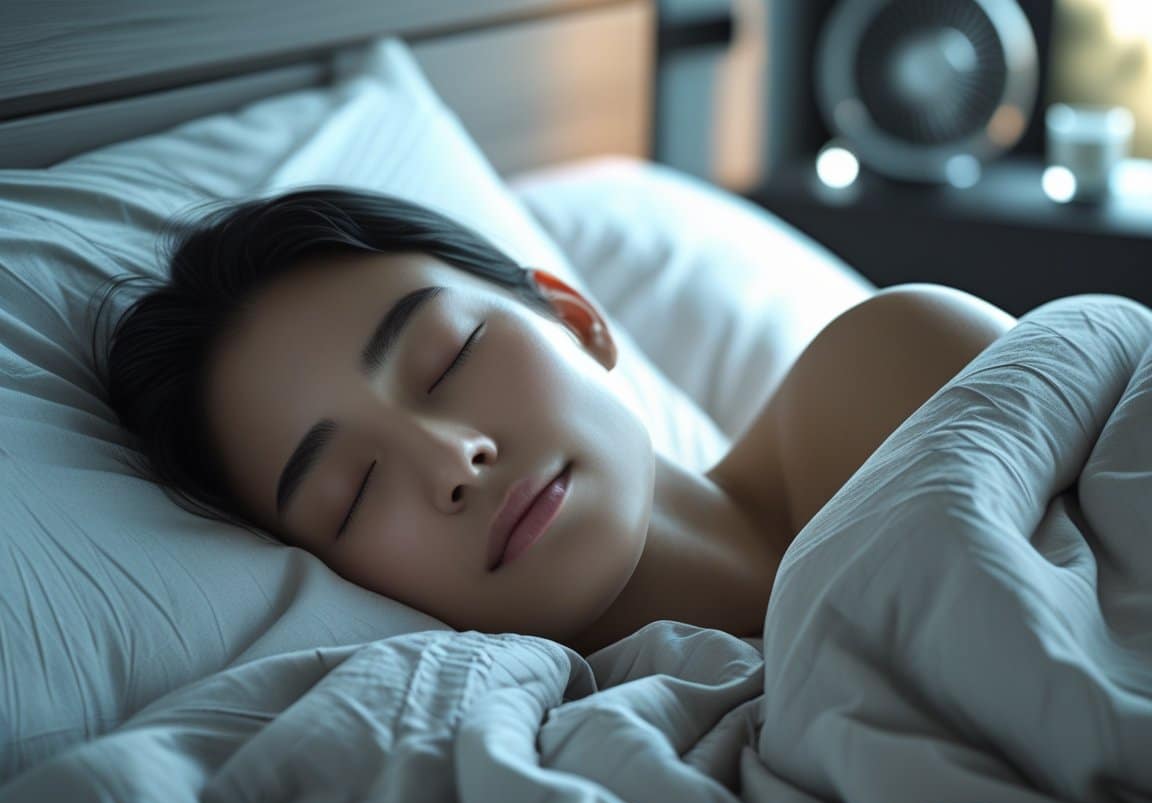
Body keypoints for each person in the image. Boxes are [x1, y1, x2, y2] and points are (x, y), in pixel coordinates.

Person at [94, 187, 1017, 657]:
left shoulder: (898, 375)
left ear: (575, 316)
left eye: (448, 360)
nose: (454, 457)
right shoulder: (550, 766)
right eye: (354, 493)